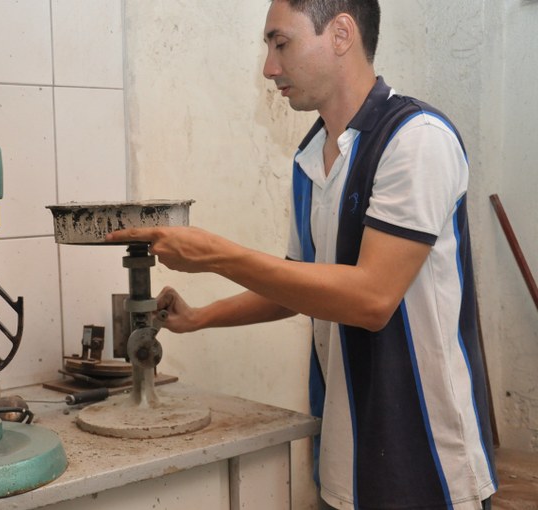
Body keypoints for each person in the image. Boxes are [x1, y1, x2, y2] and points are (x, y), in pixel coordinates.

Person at [106, 0, 498, 509]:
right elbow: (298, 286)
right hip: (345, 457)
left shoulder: (416, 140)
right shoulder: (311, 157)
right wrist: (200, 317)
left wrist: (217, 255)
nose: (269, 67)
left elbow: (371, 299)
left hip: (426, 461)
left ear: (341, 34)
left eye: (281, 43)